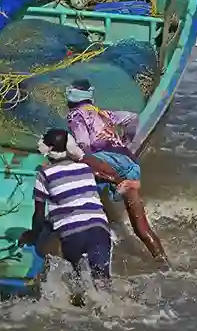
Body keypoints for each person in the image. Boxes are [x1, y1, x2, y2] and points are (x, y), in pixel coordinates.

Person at [64, 79, 169, 265]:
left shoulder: (75, 115)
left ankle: (114, 186)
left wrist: (84, 160)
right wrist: (125, 141)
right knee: (141, 227)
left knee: (78, 165)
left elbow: (84, 146)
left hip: (106, 162)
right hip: (128, 162)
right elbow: (132, 118)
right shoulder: (101, 112)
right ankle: (163, 261)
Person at [19, 129, 114, 296]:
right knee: (103, 285)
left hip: (72, 234)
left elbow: (39, 214)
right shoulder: (85, 168)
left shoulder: (44, 174)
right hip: (100, 230)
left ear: (45, 150)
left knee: (78, 284)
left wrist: (33, 235)